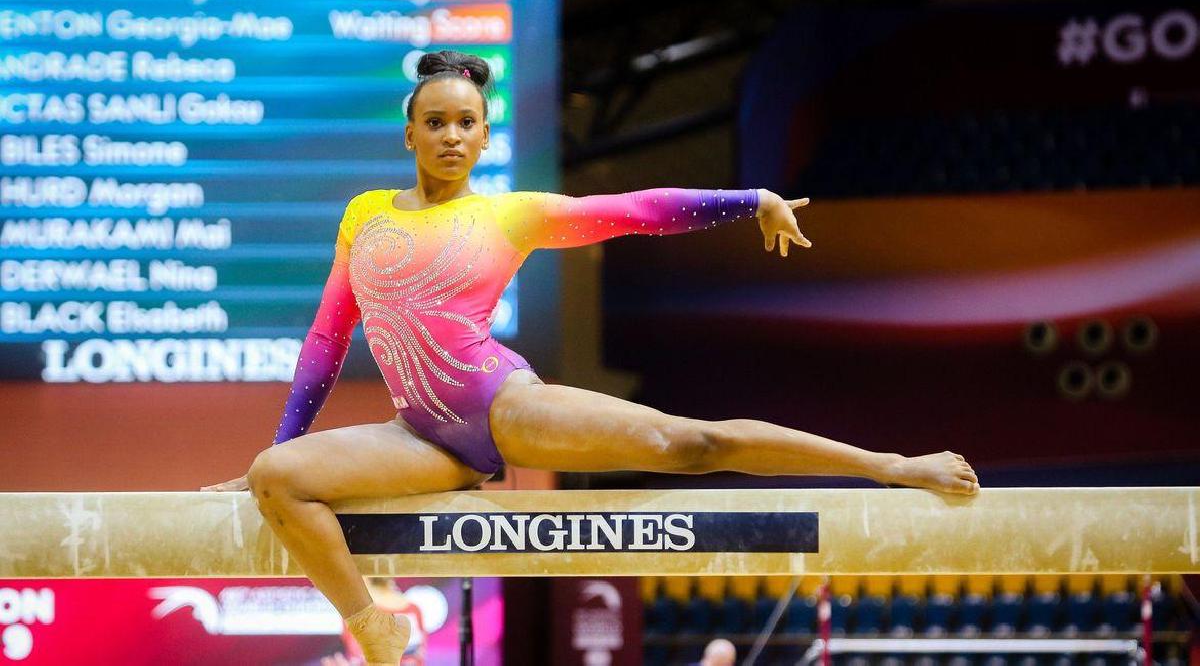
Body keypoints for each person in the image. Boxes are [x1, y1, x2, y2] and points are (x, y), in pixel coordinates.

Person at [203, 50, 978, 666]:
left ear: (482, 136)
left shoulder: (509, 216)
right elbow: (326, 340)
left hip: (504, 408)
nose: (449, 136)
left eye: (464, 124)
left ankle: (889, 463)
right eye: (434, 122)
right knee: (279, 478)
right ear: (409, 133)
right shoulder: (363, 218)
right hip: (417, 436)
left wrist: (749, 202)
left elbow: (633, 211)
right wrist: (280, 442)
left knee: (690, 443)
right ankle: (374, 627)